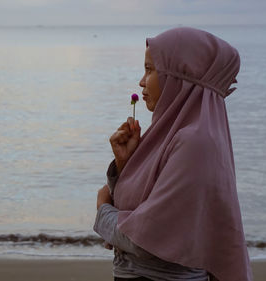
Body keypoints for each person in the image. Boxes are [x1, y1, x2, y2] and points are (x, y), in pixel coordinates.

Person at [93, 27, 253, 281]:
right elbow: (149, 213)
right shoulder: (173, 136)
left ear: (177, 77)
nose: (141, 82)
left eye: (149, 70)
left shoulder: (195, 143)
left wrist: (103, 211)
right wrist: (126, 164)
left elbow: (149, 240)